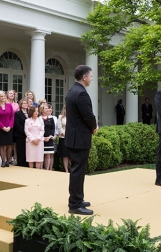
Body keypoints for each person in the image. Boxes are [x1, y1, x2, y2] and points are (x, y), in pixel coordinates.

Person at [65, 65, 98, 215]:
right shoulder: (81, 94)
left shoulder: (72, 91)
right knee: (78, 170)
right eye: (90, 76)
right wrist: (94, 127)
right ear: (84, 77)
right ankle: (75, 204)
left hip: (73, 136)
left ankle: (77, 198)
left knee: (76, 170)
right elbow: (88, 115)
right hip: (80, 137)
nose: (91, 78)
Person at [0, 90, 14, 167]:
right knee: (2, 145)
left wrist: (9, 126)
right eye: (1, 96)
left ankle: (8, 160)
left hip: (9, 128)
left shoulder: (9, 105)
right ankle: (3, 160)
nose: (3, 97)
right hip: (0, 128)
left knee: (9, 145)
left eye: (4, 96)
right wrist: (3, 127)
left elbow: (12, 117)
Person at [14, 98, 29, 167]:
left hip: (29, 135)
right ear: (20, 105)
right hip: (20, 134)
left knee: (27, 150)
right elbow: (17, 124)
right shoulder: (17, 113)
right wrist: (24, 131)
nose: (25, 104)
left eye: (26, 103)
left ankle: (27, 163)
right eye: (24, 103)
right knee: (20, 150)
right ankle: (20, 164)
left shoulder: (30, 113)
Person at [40, 104, 55, 170]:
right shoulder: (39, 118)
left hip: (49, 139)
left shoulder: (51, 118)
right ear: (42, 110)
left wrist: (49, 137)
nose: (48, 109)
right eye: (46, 108)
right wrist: (43, 138)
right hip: (41, 139)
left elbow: (53, 128)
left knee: (48, 155)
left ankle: (48, 169)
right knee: (42, 155)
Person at [57, 105, 70, 173]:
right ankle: (66, 170)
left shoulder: (72, 117)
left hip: (71, 138)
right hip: (63, 138)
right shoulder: (60, 117)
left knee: (70, 154)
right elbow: (60, 128)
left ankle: (72, 168)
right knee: (65, 155)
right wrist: (64, 134)